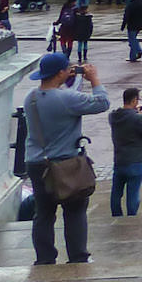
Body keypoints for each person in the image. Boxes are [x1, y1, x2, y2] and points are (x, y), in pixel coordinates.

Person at [22, 52, 108, 264]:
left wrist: (74, 79)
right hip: (65, 164)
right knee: (75, 211)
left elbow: (60, 99)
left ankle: (44, 258)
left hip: (36, 162)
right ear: (61, 73)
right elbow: (102, 102)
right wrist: (94, 79)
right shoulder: (67, 98)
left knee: (43, 213)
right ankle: (78, 257)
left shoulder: (30, 97)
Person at [109, 87, 142, 218]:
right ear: (135, 100)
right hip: (134, 161)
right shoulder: (136, 118)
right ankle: (131, 217)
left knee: (116, 193)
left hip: (119, 161)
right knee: (133, 194)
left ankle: (116, 215)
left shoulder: (112, 116)